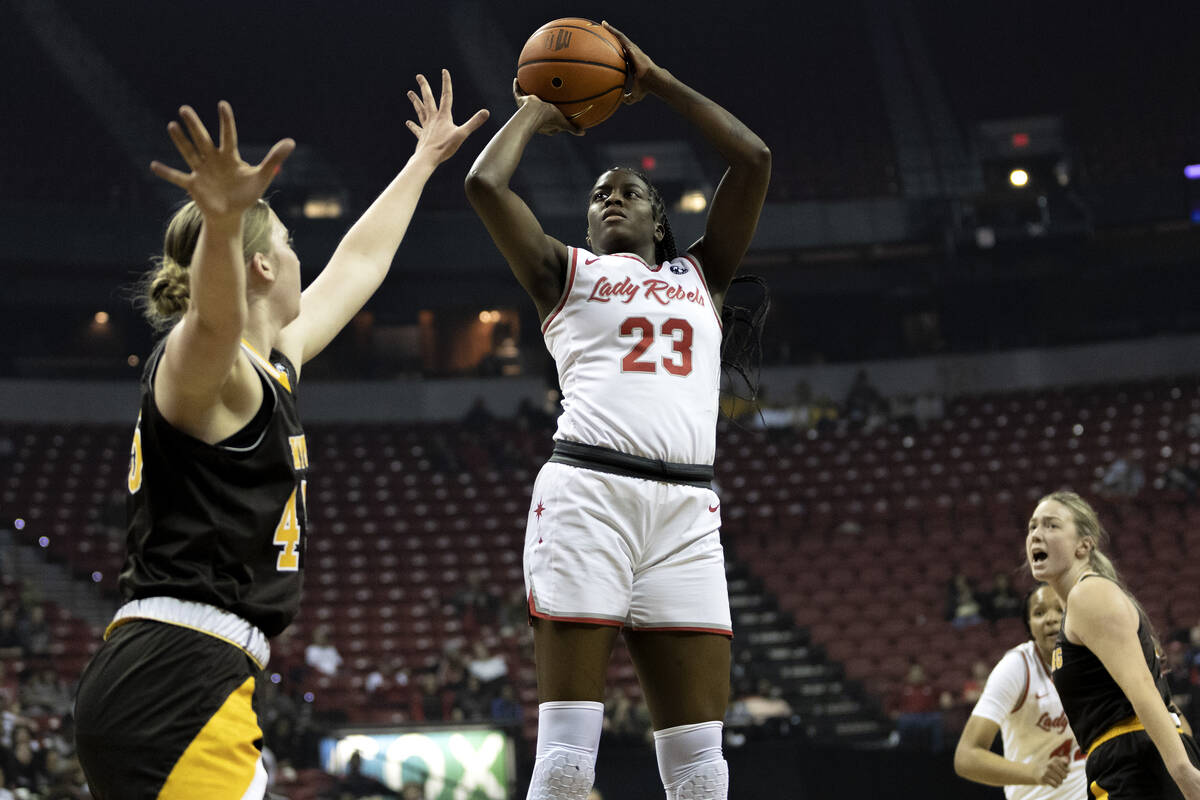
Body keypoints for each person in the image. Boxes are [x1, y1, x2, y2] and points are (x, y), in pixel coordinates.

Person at [72, 74, 487, 800]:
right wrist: (225, 222)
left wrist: (424, 161)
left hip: (193, 675)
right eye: (291, 242)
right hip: (173, 677)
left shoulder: (272, 367)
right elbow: (212, 322)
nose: (304, 256)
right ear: (261, 264)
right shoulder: (205, 367)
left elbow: (359, 264)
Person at [464, 19, 769, 800]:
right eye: (599, 195)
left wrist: (658, 79)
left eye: (628, 191)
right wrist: (537, 106)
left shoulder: (701, 275)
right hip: (589, 496)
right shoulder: (560, 274)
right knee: (567, 766)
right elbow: (484, 186)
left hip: (686, 512)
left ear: (658, 221)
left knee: (703, 775)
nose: (609, 199)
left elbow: (754, 158)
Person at [1027, 491, 1200, 798]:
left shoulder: (1089, 594)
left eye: (1051, 525)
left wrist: (1183, 771)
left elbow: (1142, 686)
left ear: (1084, 544)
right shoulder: (1081, 605)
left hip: (1137, 763)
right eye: (1032, 527)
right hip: (1126, 763)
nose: (1037, 534)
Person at [953, 584, 1088, 799]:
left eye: (1060, 609)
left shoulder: (1093, 659)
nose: (1051, 619)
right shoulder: (1016, 667)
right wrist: (1034, 772)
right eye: (1039, 612)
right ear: (1029, 626)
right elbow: (966, 757)